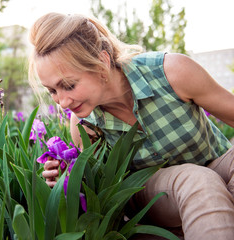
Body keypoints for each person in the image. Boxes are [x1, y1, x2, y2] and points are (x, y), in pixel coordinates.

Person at [28, 12, 234, 239]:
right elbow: (98, 189)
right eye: (52, 91)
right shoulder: (84, 124)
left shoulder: (171, 72)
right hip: (151, 193)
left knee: (208, 178)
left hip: (214, 163)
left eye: (69, 85)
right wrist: (67, 179)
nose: (63, 102)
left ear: (102, 63)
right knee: (197, 180)